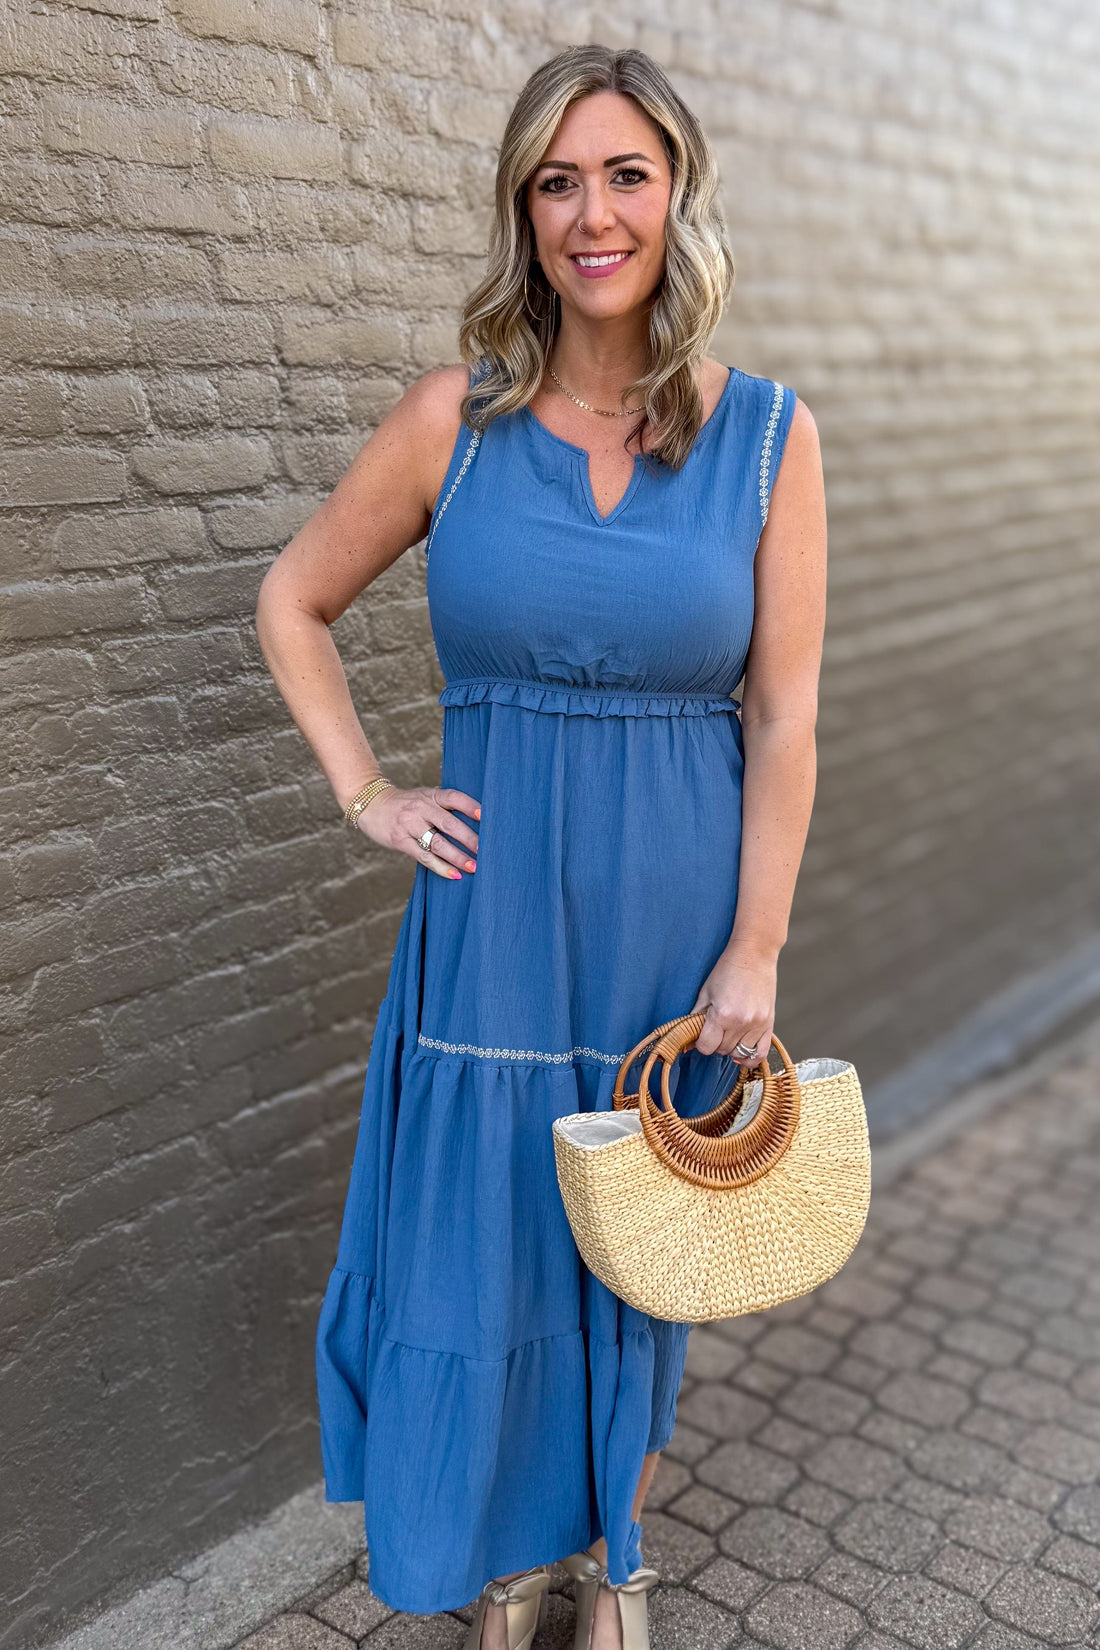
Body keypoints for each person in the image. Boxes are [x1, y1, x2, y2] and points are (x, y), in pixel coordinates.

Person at [255, 42, 826, 1650]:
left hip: (671, 920)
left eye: (625, 174)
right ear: (524, 210)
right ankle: (510, 1559)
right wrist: (367, 790)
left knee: (636, 1245)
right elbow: (293, 599)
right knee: (485, 1242)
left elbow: (783, 715)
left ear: (677, 197)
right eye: (558, 180)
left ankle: (604, 1544)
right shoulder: (456, 419)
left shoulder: (769, 440)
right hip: (493, 923)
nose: (593, 213)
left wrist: (758, 943)